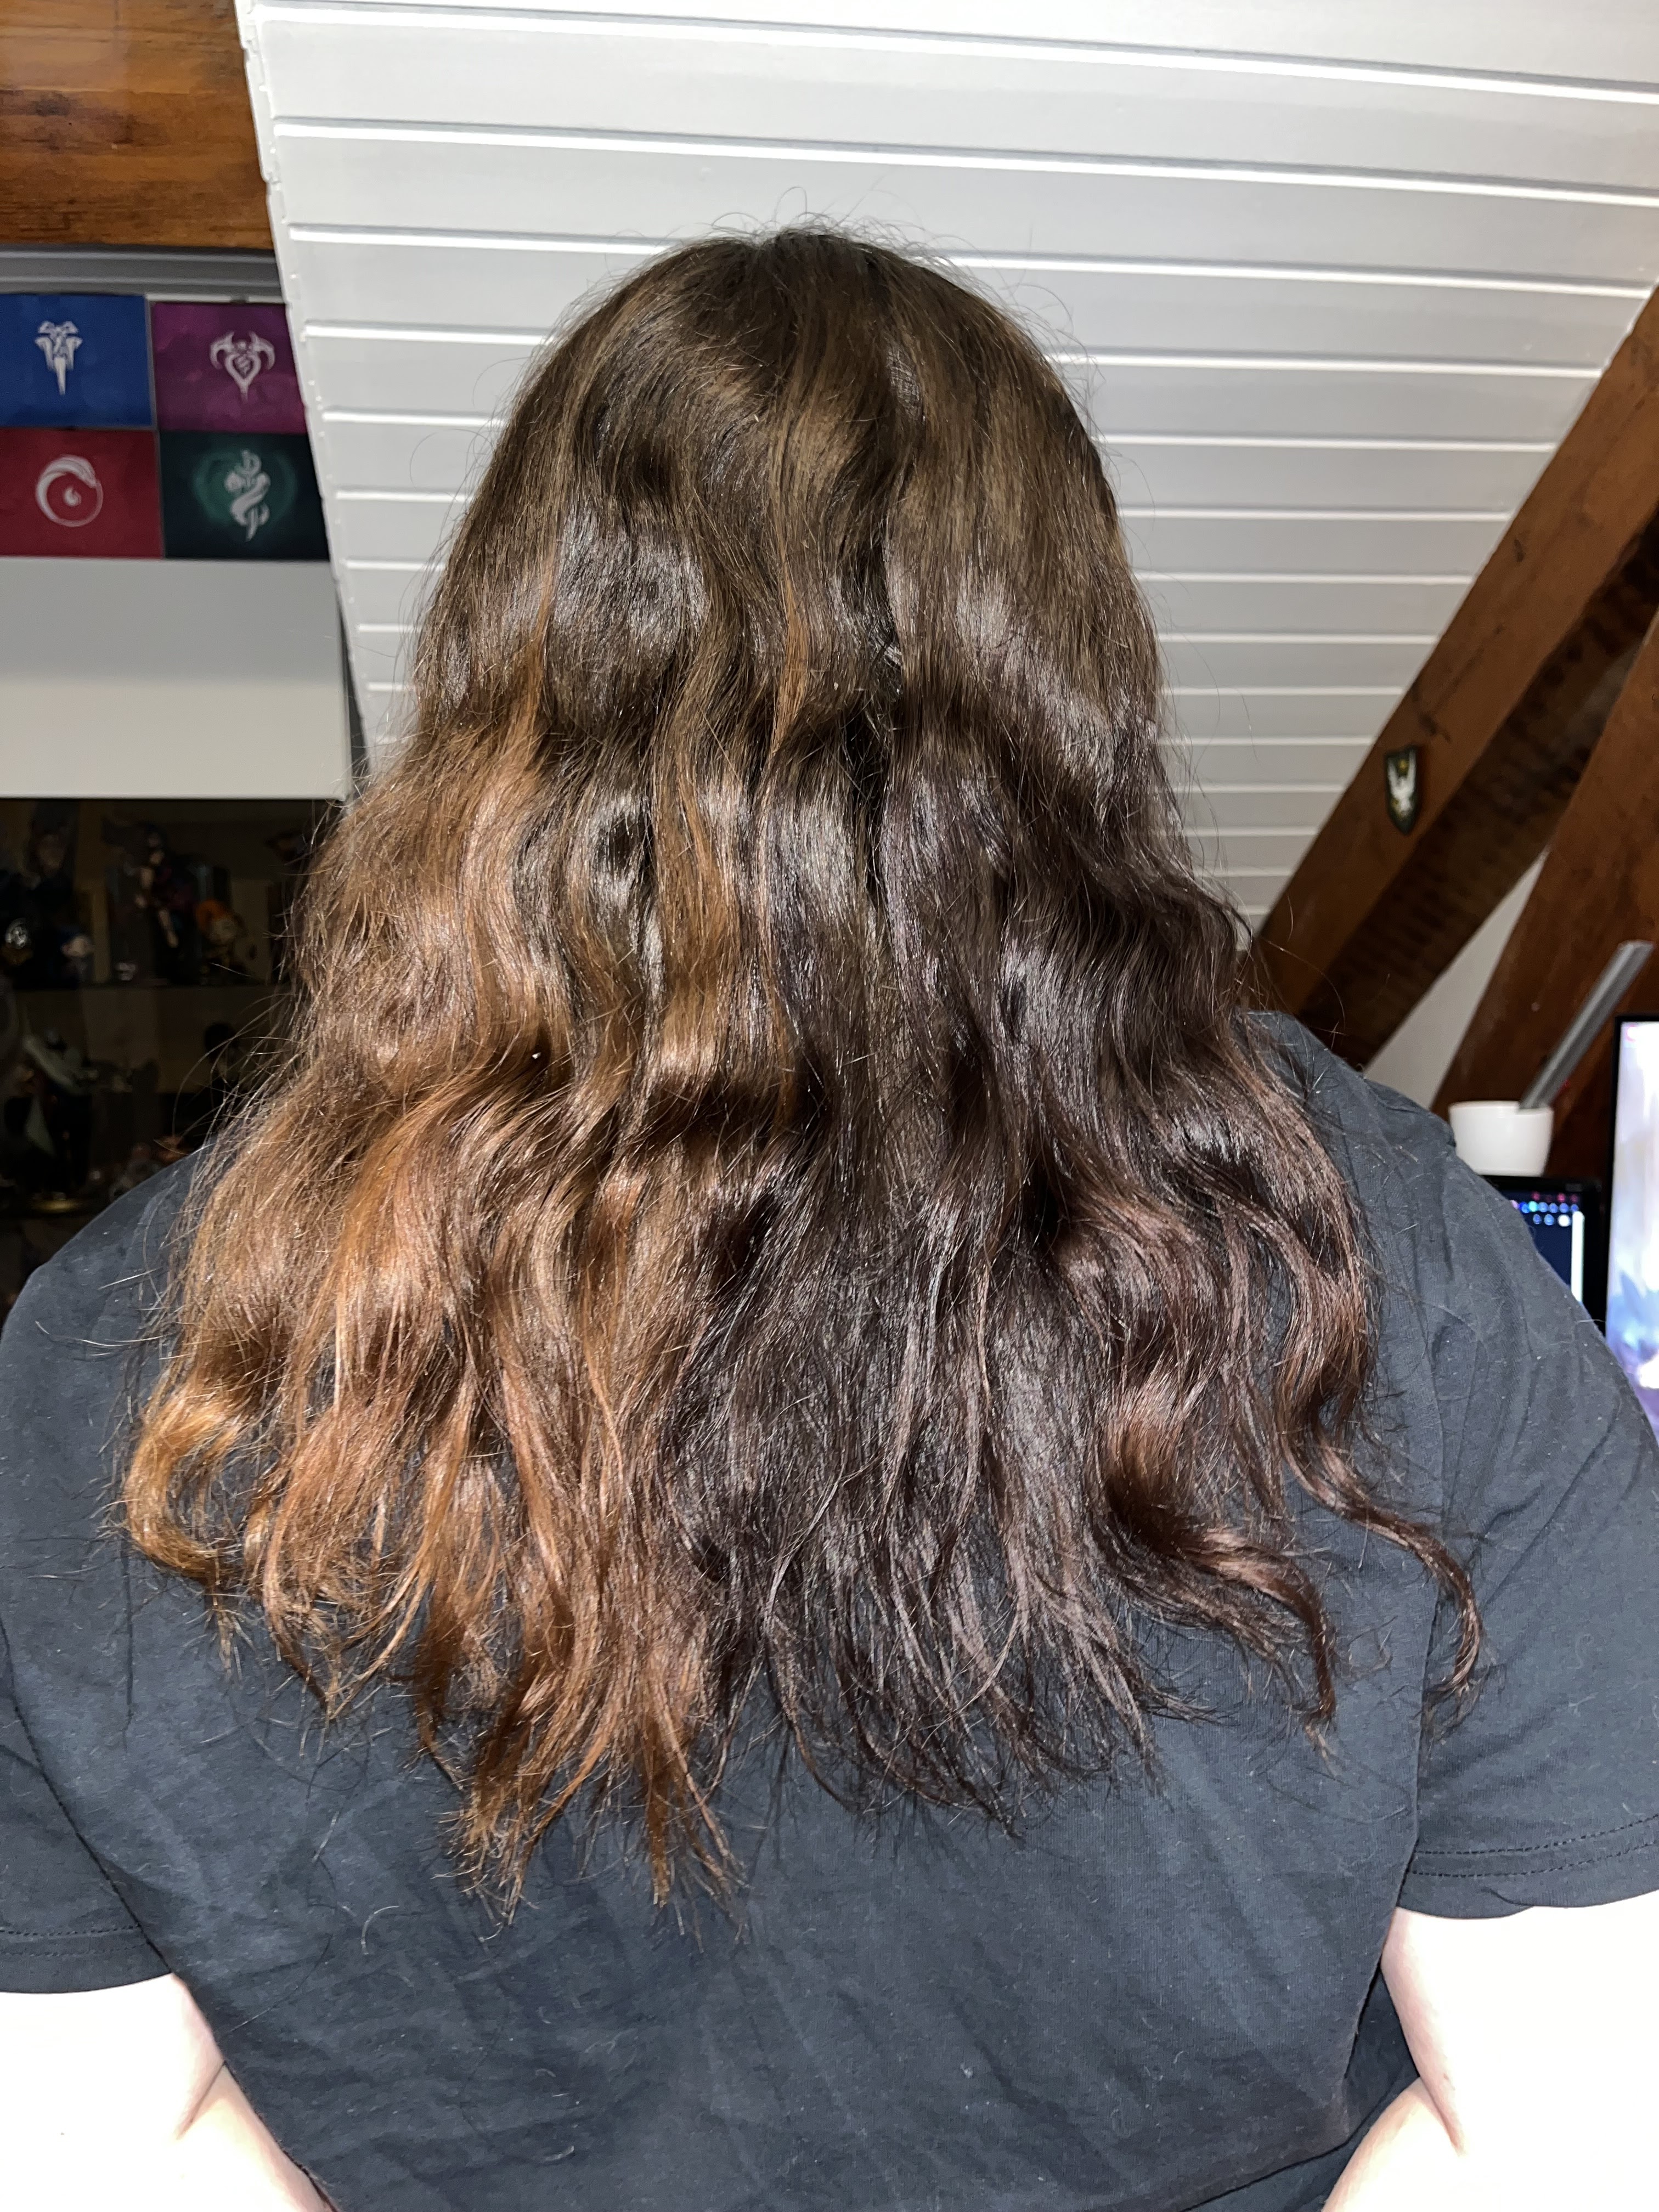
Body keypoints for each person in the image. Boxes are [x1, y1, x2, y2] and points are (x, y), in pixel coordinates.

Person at [1, 230, 1655, 2212]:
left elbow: (91, 2140)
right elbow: (1566, 2122)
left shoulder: (131, 1344)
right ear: (1076, 687)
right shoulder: (1390, 1261)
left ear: (502, 673)